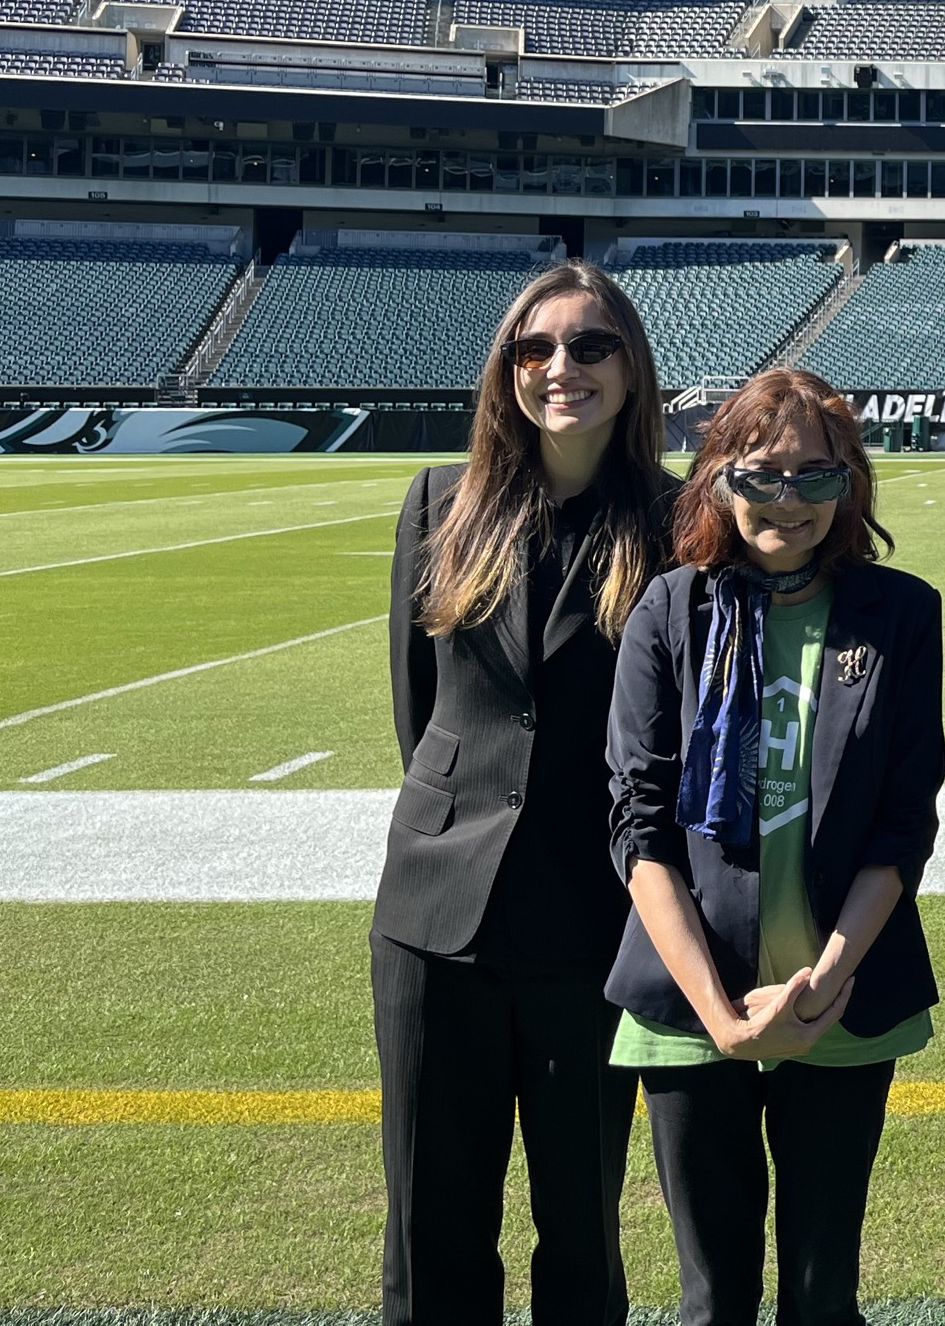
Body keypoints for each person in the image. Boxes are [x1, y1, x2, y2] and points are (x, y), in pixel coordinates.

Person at [605, 366, 945, 1326]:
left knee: (821, 1295)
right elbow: (640, 830)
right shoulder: (669, 609)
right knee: (712, 1302)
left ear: (851, 485)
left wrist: (827, 981)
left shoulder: (901, 613)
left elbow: (903, 823)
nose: (787, 501)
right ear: (716, 479)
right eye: (760, 475)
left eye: (816, 476)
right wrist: (722, 1016)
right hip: (690, 1006)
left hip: (844, 999)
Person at [374, 259, 674, 1326]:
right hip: (434, 915)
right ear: (505, 370)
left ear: (632, 369)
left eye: (591, 346)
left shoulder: (676, 522)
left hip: (591, 923)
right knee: (430, 1222)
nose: (562, 368)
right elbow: (424, 713)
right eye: (535, 348)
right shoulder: (439, 502)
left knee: (580, 1226)